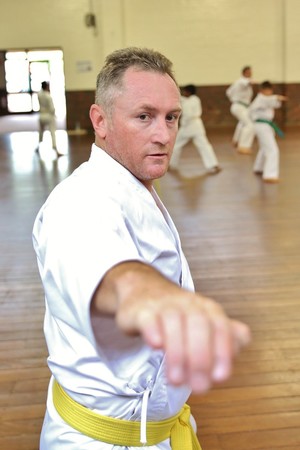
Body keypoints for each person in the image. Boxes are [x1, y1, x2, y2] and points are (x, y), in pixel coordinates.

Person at [32, 47, 251, 450]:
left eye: (171, 118)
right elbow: (110, 273)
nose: (164, 134)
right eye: (144, 116)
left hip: (157, 428)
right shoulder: (79, 201)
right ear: (101, 120)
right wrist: (155, 300)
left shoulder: (134, 185)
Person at [169, 84, 221, 174]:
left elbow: (188, 114)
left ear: (189, 92)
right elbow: (181, 99)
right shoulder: (194, 99)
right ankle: (213, 165)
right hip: (197, 126)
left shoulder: (192, 101)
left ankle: (170, 164)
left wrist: (183, 122)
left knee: (176, 144)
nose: (184, 93)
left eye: (185, 91)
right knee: (204, 145)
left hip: (189, 126)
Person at [249, 80, 288, 183]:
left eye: (270, 90)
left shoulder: (266, 99)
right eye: (267, 90)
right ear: (262, 90)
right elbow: (269, 100)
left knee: (264, 147)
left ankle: (259, 167)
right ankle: (270, 175)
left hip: (266, 125)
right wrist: (277, 97)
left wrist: (277, 99)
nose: (269, 92)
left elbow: (276, 104)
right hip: (261, 125)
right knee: (272, 150)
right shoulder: (261, 99)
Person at [226, 66, 255, 154]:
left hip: (239, 106)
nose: (250, 74)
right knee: (250, 125)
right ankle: (243, 146)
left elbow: (228, 92)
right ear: (243, 73)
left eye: (251, 73)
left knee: (242, 123)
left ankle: (236, 140)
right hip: (239, 106)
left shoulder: (237, 82)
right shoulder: (242, 81)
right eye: (248, 73)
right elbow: (246, 83)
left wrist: (234, 99)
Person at [37, 81, 62, 156]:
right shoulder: (48, 96)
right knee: (52, 133)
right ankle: (55, 149)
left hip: (41, 115)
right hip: (48, 116)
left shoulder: (39, 94)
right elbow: (52, 108)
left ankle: (38, 147)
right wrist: (54, 115)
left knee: (41, 132)